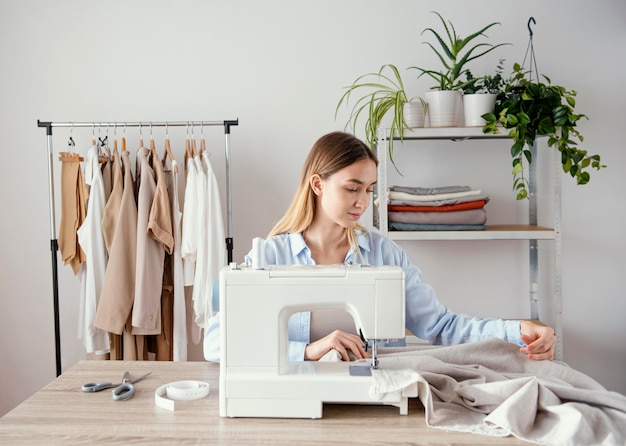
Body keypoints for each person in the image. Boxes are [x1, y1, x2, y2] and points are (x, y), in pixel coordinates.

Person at [204, 131, 556, 362]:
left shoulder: (384, 254)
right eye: (352, 188)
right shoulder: (269, 256)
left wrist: (515, 329)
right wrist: (308, 351)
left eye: (369, 190)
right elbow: (217, 343)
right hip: (294, 395)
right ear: (317, 185)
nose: (363, 202)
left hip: (374, 395)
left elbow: (442, 327)